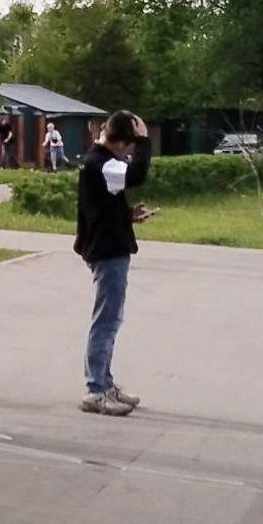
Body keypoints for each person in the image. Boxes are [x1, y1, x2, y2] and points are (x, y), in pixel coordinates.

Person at [74, 110, 152, 416]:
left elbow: (102, 204)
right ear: (120, 142)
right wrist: (144, 141)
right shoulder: (102, 162)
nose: (130, 153)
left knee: (110, 318)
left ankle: (105, 383)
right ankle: (95, 389)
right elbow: (137, 175)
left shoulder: (97, 161)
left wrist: (127, 215)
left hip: (106, 244)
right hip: (107, 250)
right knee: (106, 321)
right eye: (130, 146)